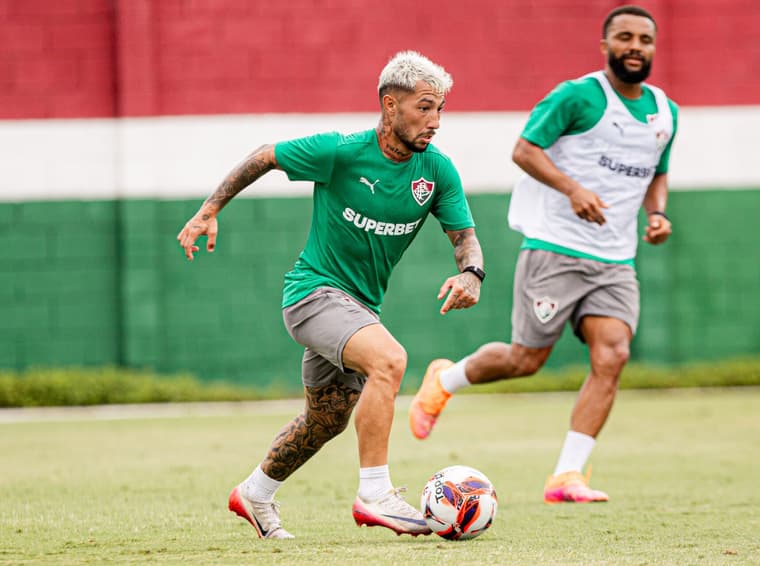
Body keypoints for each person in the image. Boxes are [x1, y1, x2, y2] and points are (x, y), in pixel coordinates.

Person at [177, 50, 485, 539]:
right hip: (313, 294)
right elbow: (265, 155)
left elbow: (463, 235)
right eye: (425, 108)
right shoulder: (340, 151)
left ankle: (254, 494)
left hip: (358, 308)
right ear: (390, 106)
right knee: (390, 360)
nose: (436, 121)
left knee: (326, 419)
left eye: (441, 108)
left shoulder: (437, 172)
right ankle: (375, 495)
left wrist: (472, 273)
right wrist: (208, 211)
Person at [409, 5, 678, 504]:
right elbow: (524, 150)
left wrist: (656, 214)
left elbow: (656, 170)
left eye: (645, 39)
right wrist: (572, 189)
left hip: (616, 260)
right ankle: (443, 380)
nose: (635, 47)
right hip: (555, 248)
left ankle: (567, 476)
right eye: (624, 37)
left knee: (613, 353)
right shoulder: (578, 96)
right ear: (606, 46)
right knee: (526, 359)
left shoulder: (666, 112)